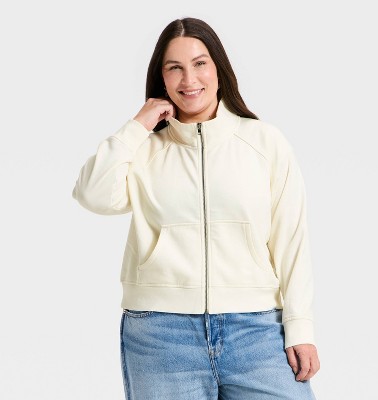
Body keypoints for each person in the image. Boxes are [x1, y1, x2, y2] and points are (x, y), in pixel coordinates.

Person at [73, 17, 320, 400]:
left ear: (219, 69)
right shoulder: (144, 150)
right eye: (175, 68)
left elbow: (292, 241)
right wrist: (138, 125)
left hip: (256, 330)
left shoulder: (264, 142)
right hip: (161, 334)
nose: (189, 79)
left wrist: (300, 325)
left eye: (200, 63)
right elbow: (92, 194)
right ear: (162, 78)